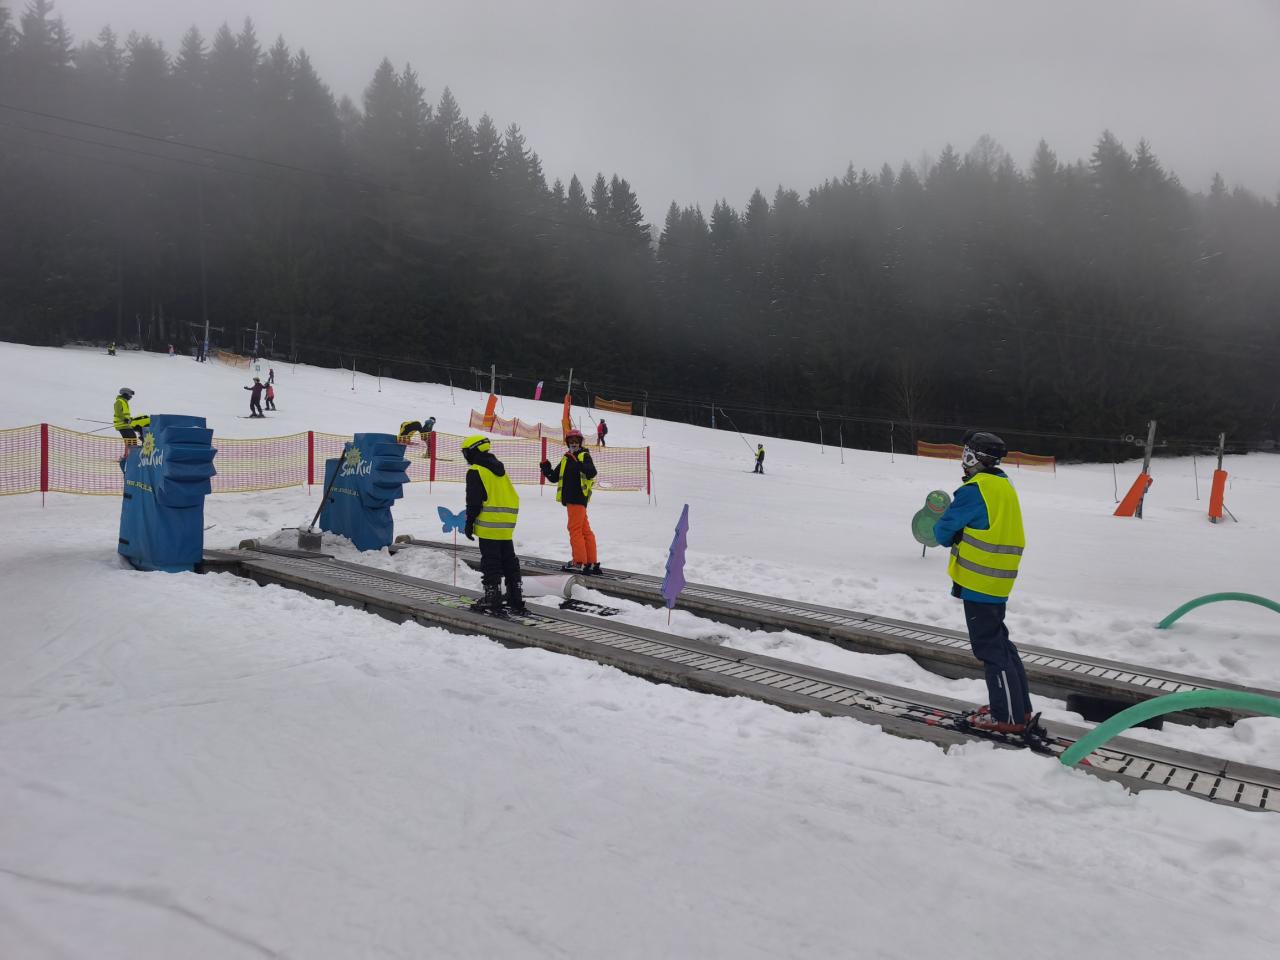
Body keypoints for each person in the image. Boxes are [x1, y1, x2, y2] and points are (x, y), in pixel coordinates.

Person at [932, 431, 1034, 734]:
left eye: (965, 455)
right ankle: (1018, 709)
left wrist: (949, 530)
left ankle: (1007, 718)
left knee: (990, 648)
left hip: (980, 580)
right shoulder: (1002, 484)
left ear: (972, 458)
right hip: (998, 579)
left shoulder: (975, 490)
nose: (962, 461)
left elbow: (942, 533)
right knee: (1001, 644)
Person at [462, 434, 527, 614]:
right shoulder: (498, 468)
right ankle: (515, 596)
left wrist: (469, 522)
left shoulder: (476, 470)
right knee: (509, 560)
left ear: (473, 451)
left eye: (466, 452)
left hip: (489, 524)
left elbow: (474, 501)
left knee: (490, 562)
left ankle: (492, 597)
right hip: (506, 524)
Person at [540, 427, 601, 574]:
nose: (574, 444)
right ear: (568, 443)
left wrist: (579, 464)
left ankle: (579, 562)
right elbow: (554, 477)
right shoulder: (566, 458)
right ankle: (590, 562)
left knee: (575, 529)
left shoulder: (584, 456)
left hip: (577, 498)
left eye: (576, 441)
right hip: (572, 500)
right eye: (571, 441)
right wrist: (546, 469)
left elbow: (592, 472)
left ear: (580, 442)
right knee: (584, 530)